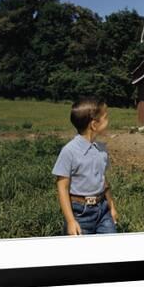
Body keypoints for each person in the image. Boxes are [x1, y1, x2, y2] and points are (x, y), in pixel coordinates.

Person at [52, 98, 118, 235]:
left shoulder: (101, 149)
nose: (108, 122)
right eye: (105, 118)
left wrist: (111, 206)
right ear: (94, 125)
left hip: (103, 209)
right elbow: (62, 187)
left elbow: (103, 180)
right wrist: (70, 221)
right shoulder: (69, 151)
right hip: (80, 213)